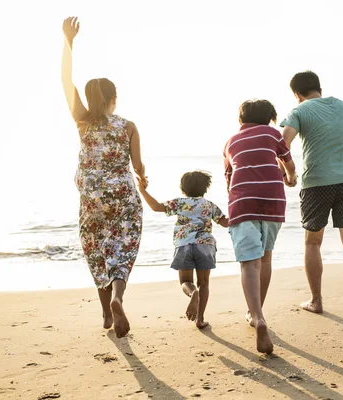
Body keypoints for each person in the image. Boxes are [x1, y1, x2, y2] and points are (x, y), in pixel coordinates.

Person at [61, 17, 147, 338]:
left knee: (96, 250)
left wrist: (68, 42)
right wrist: (143, 177)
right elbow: (137, 166)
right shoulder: (128, 126)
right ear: (115, 99)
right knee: (123, 249)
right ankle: (118, 298)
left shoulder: (82, 121)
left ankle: (105, 314)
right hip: (123, 197)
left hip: (92, 200)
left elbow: (64, 79)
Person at [279, 71, 343, 315]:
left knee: (313, 242)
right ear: (319, 88)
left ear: (296, 94)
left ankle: (316, 300)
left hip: (316, 184)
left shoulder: (300, 111)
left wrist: (289, 175)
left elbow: (282, 143)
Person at [223, 99, 297, 354]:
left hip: (244, 203)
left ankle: (257, 316)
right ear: (269, 118)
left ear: (241, 119)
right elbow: (288, 162)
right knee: (265, 259)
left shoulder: (230, 143)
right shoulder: (272, 133)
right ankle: (257, 313)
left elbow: (229, 179)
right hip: (273, 201)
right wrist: (291, 178)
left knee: (248, 262)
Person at [137, 171, 228, 329]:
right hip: (205, 245)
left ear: (183, 189)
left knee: (186, 281)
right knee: (204, 283)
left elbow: (156, 206)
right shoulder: (210, 205)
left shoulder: (179, 203)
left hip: (184, 245)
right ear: (206, 188)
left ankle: (193, 293)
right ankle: (199, 319)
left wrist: (143, 190)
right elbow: (226, 222)